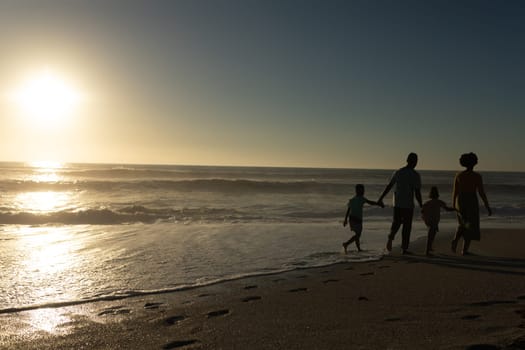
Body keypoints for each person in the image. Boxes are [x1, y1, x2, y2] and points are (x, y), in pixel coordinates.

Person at [378, 153, 422, 254]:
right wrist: (421, 205)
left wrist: (381, 198)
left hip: (397, 203)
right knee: (407, 226)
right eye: (416, 160)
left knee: (396, 222)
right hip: (408, 205)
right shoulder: (415, 175)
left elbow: (389, 186)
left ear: (407, 160)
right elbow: (417, 192)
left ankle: (390, 238)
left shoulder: (398, 172)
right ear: (414, 162)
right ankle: (404, 248)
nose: (416, 162)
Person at [451, 153, 491, 255]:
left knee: (463, 223)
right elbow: (481, 192)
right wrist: (487, 205)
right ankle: (464, 250)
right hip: (471, 201)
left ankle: (456, 239)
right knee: (470, 225)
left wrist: (453, 204)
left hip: (460, 200)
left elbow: (455, 192)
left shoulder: (459, 175)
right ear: (473, 163)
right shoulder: (477, 176)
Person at [343, 184, 383, 253]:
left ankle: (358, 249)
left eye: (363, 190)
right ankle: (346, 244)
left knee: (357, 234)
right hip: (357, 219)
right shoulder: (361, 199)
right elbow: (370, 203)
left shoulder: (352, 199)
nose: (363, 191)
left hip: (351, 218)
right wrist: (378, 204)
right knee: (358, 235)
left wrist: (345, 219)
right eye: (362, 190)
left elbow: (348, 210)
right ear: (357, 191)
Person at [421, 186, 455, 256]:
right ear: (437, 194)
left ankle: (429, 248)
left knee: (432, 233)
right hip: (434, 220)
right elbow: (447, 209)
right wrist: (455, 209)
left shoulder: (428, 202)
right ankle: (427, 251)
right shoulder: (439, 202)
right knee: (431, 235)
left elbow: (422, 210)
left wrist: (424, 217)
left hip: (428, 220)